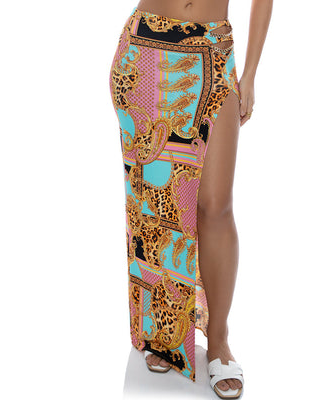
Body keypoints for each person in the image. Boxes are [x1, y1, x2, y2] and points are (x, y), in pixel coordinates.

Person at [109, 0, 273, 398]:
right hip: (145, 50)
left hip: (214, 52)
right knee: (154, 205)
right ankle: (165, 332)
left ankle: (218, 339)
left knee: (216, 205)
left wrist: (250, 74)